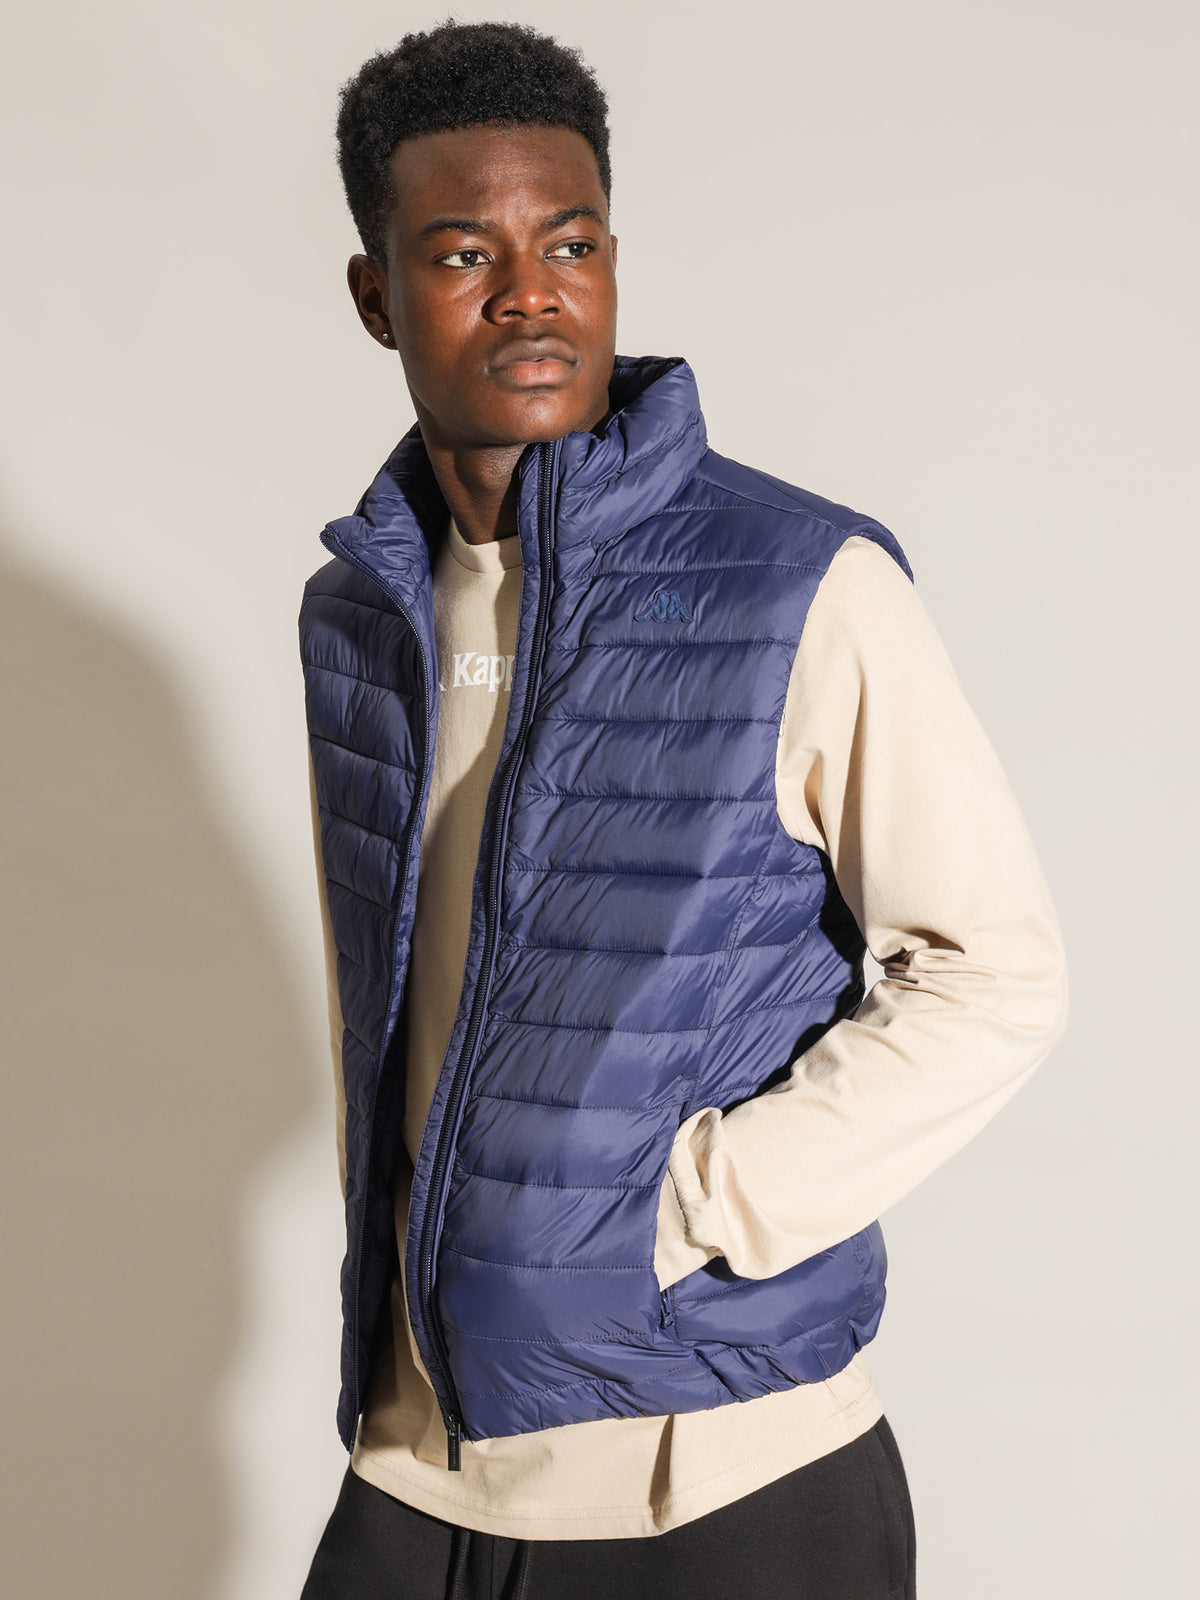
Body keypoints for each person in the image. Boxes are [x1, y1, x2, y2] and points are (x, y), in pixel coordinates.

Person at [297, 19, 1067, 1599]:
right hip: (423, 1454)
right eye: (465, 254)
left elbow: (997, 973)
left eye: (571, 245)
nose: (531, 293)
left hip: (719, 1475)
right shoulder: (361, 614)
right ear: (376, 298)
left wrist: (689, 1207)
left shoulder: (802, 584)